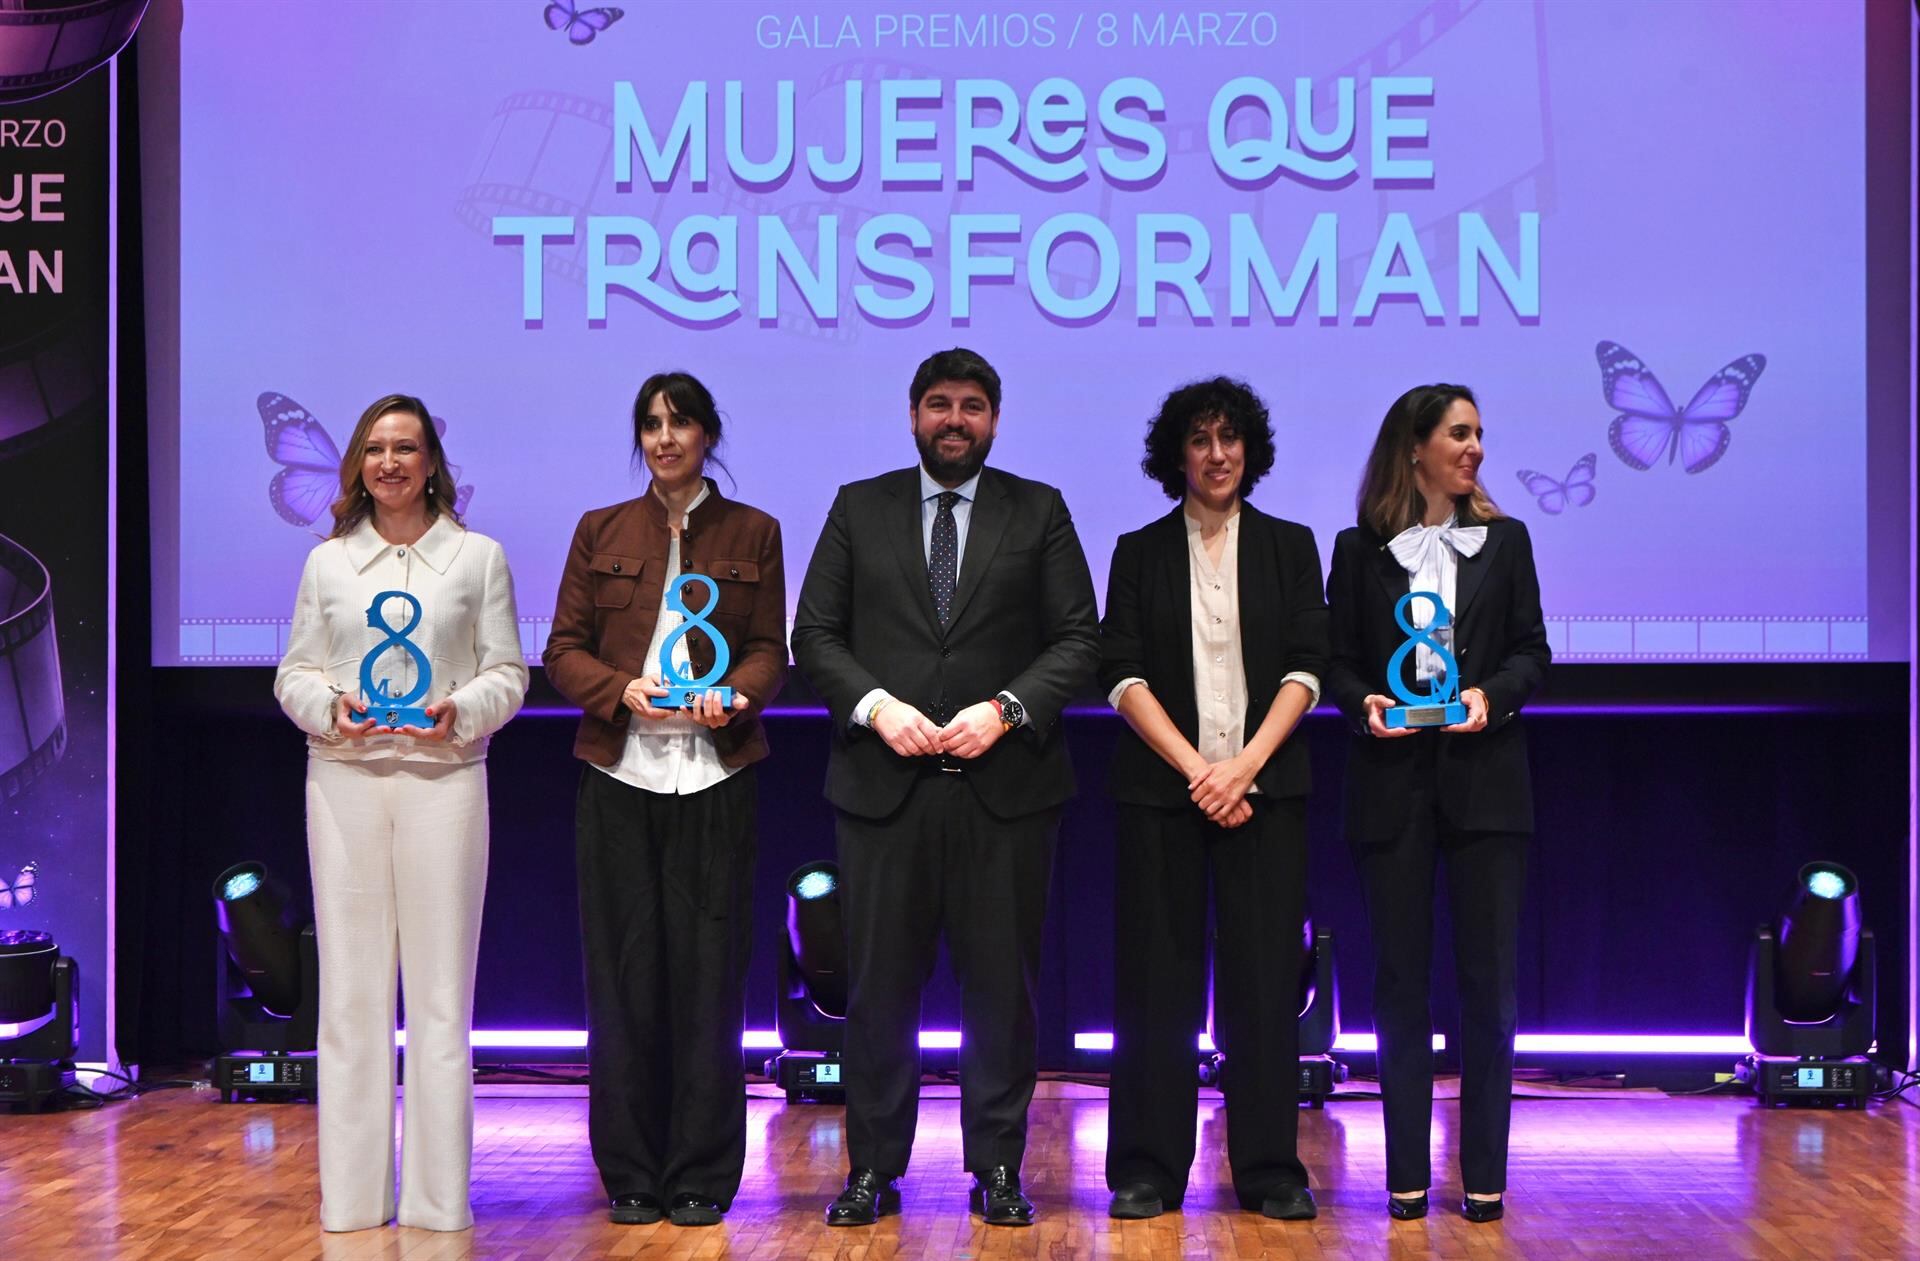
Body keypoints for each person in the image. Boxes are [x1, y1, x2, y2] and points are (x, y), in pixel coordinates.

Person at [792, 347, 1099, 1229]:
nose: (953, 420)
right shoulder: (860, 507)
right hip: (885, 789)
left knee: (1002, 994)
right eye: (938, 404)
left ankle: (999, 1166)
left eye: (971, 406)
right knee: (878, 991)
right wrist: (876, 705)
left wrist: (1006, 708)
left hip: (1004, 791)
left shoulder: (1038, 511)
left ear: (994, 420)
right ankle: (871, 1170)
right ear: (913, 414)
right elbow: (816, 634)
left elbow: (1077, 639)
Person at [274, 393, 527, 1232]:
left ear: (431, 463)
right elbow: (294, 673)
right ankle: (350, 1203)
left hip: (444, 781)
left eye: (406, 447)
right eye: (376, 448)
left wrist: (463, 708)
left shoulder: (477, 557)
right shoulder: (328, 563)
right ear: (356, 463)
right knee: (349, 998)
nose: (390, 462)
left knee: (442, 1000)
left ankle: (436, 1203)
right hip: (343, 780)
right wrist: (328, 707)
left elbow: (509, 672)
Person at [543, 372, 787, 1228]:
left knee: (710, 981)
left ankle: (701, 1173)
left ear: (708, 434)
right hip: (620, 776)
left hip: (715, 775)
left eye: (680, 424)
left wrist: (740, 695)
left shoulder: (753, 531)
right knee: (622, 982)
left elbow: (768, 649)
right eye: (650, 424)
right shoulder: (599, 529)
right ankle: (633, 1173)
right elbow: (562, 651)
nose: (664, 438)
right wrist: (620, 688)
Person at [1098, 377, 1327, 1223]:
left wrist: (1245, 767)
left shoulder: (1292, 546)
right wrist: (1201, 769)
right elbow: (1118, 672)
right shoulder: (1137, 550)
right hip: (1164, 798)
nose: (1218, 454)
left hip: (1266, 794)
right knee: (1156, 984)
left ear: (1250, 449)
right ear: (1177, 454)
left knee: (1264, 987)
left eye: (1231, 437)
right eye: (1200, 438)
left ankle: (1269, 1169)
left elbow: (1309, 665)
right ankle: (1148, 1169)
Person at [1324, 383, 1550, 1223]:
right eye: (1460, 433)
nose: (1477, 447)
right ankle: (1406, 1182)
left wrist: (1491, 694)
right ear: (1413, 447)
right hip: (1391, 791)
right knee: (1398, 989)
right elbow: (1338, 660)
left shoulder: (1507, 541)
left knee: (1490, 992)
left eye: (1481, 433)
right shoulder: (1358, 550)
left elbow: (1534, 650)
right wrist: (1363, 704)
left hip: (1487, 785)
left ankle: (1485, 1181)